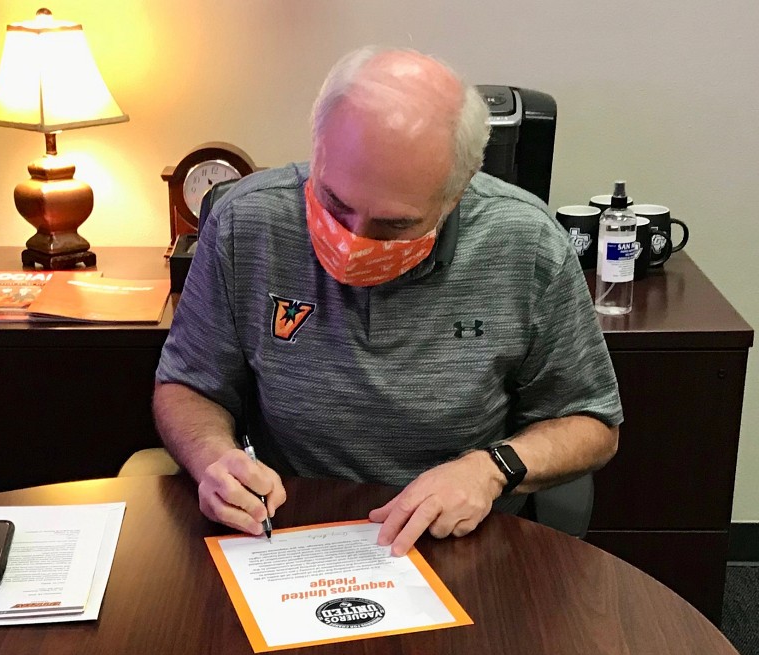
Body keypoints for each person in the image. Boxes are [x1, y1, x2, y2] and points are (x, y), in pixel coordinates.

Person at [153, 46, 622, 555]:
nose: (354, 242)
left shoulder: (526, 243)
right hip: (288, 530)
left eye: (395, 225)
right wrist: (213, 458)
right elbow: (187, 385)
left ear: (459, 190)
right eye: (334, 204)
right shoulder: (246, 224)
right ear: (318, 150)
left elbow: (592, 421)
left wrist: (491, 469)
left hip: (461, 537)